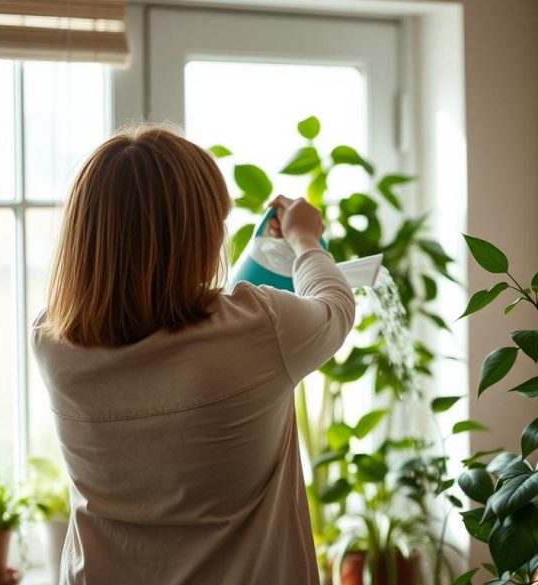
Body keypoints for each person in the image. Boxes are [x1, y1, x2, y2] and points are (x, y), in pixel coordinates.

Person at [30, 124, 355, 584]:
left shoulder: (50, 341)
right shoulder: (259, 327)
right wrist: (304, 238)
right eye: (216, 223)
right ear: (193, 238)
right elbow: (335, 308)